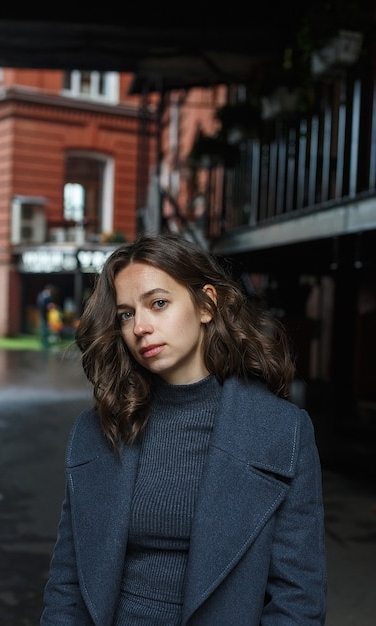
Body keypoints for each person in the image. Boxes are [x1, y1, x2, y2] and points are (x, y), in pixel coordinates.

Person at [41, 233, 327, 625]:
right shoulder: (100, 427)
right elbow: (67, 583)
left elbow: (298, 599)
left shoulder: (282, 431)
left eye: (158, 303)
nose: (140, 326)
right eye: (126, 313)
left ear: (206, 304)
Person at [36, 285, 53, 349]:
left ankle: (45, 341)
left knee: (46, 327)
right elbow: (41, 304)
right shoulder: (42, 296)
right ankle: (43, 341)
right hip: (42, 313)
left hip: (46, 314)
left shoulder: (48, 297)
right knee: (44, 327)